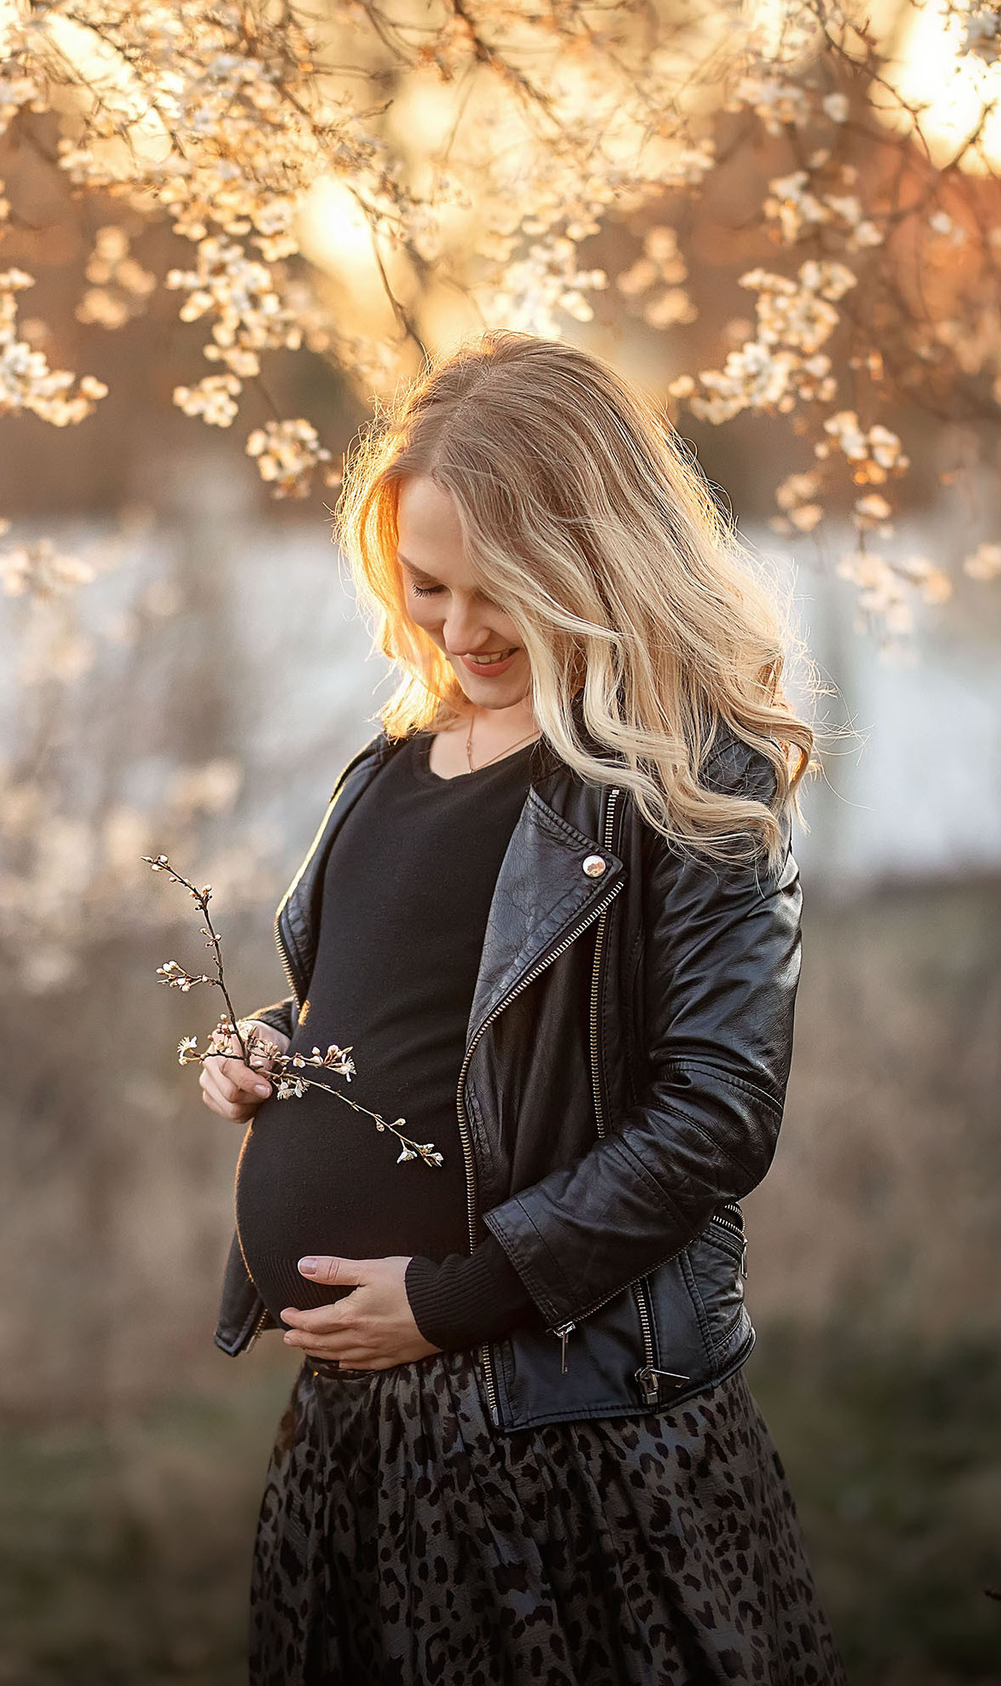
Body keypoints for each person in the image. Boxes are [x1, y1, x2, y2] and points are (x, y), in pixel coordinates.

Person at [193, 332, 845, 1683]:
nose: (464, 631)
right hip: (362, 1434)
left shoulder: (684, 787)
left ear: (600, 570)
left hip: (565, 1430)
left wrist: (461, 1295)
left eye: (507, 593)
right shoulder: (392, 763)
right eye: (430, 586)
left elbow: (716, 1115)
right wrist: (283, 1051)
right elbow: (424, 1007)